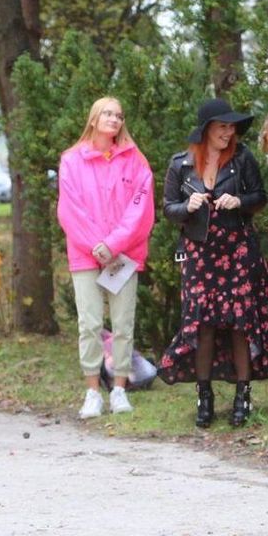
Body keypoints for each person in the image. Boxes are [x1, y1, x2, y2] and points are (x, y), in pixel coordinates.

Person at [159, 98, 268, 428]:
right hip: (199, 254)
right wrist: (187, 206)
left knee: (240, 324)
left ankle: (242, 397)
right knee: (201, 324)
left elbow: (260, 197)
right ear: (206, 130)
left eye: (232, 127)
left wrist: (240, 201)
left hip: (237, 251)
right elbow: (167, 208)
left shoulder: (242, 158)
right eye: (222, 127)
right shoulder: (181, 164)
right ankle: (205, 398)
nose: (228, 133)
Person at [56, 97, 155, 419]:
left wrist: (112, 245)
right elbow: (70, 209)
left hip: (123, 255)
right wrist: (95, 244)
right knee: (90, 323)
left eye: (119, 115)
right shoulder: (72, 160)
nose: (114, 119)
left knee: (124, 322)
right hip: (85, 255)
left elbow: (141, 208)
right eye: (108, 113)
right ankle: (92, 392)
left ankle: (119, 389)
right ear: (94, 118)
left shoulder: (135, 161)